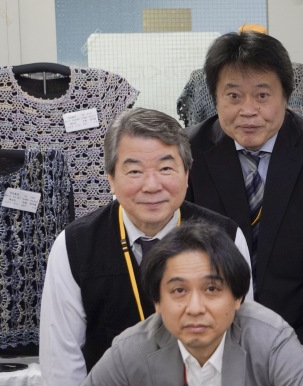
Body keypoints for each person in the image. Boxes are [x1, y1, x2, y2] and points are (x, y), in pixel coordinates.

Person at [186, 30, 303, 384]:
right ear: (215, 97)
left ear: (286, 96)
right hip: (209, 344)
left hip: (300, 341)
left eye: (262, 95)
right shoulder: (190, 152)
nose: (248, 110)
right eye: (233, 95)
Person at [40, 108, 252, 386]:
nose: (152, 186)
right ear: (111, 178)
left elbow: (241, 343)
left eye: (165, 169)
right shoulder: (74, 246)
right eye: (135, 171)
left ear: (186, 173)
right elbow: (61, 363)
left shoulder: (226, 237)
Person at [83, 220, 303, 386]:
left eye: (211, 289)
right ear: (157, 302)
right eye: (179, 290)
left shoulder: (271, 340)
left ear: (238, 297)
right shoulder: (130, 351)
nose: (196, 308)